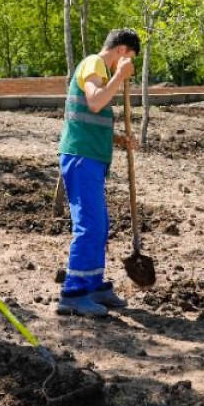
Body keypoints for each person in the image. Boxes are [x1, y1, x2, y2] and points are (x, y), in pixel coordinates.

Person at [57, 28, 139, 318]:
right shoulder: (94, 63)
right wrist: (120, 76)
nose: (126, 66)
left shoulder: (104, 71)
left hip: (91, 157)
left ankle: (93, 284)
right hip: (81, 159)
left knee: (100, 225)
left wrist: (117, 140)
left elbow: (90, 118)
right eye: (128, 59)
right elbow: (94, 101)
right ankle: (73, 293)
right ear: (121, 51)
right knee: (89, 226)